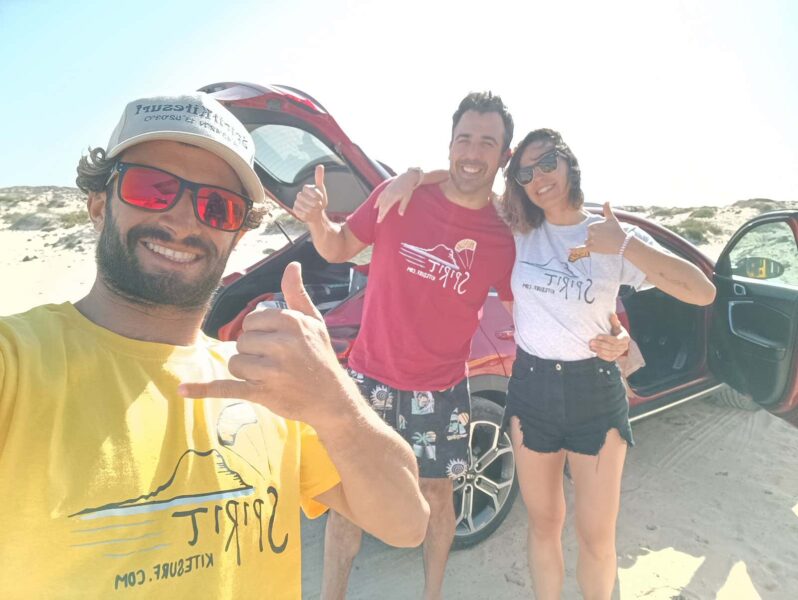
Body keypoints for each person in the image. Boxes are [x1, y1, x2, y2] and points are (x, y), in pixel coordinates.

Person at [0, 92, 429, 599]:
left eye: (218, 206)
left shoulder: (270, 386)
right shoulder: (21, 363)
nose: (184, 222)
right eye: (151, 188)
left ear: (237, 237)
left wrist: (335, 400)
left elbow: (406, 524)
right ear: (99, 204)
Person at [293, 93, 630, 600]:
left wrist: (614, 338)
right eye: (464, 139)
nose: (472, 152)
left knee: (438, 496)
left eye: (487, 142)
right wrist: (317, 220)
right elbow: (339, 246)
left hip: (443, 386)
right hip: (368, 377)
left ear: (503, 155)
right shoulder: (399, 196)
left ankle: (433, 593)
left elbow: (538, 305)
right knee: (349, 503)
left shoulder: (503, 233)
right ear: (449, 144)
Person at [383, 128, 716, 599]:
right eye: (525, 171)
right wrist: (414, 177)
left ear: (568, 163)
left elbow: (702, 291)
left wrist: (625, 246)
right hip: (531, 390)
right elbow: (468, 179)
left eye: (547, 164)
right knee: (543, 525)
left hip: (595, 394)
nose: (538, 177)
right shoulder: (517, 230)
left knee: (596, 537)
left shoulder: (610, 235)